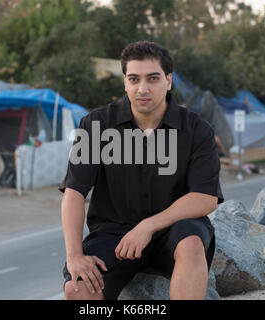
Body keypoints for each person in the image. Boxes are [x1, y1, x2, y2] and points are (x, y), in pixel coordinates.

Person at [59, 40, 224, 300]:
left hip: (175, 230)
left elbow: (205, 198)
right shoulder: (95, 125)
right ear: (125, 82)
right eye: (134, 79)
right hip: (113, 234)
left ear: (168, 81)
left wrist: (148, 226)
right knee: (77, 289)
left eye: (153, 78)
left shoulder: (196, 130)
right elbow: (74, 193)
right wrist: (74, 256)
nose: (142, 88)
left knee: (192, 243)